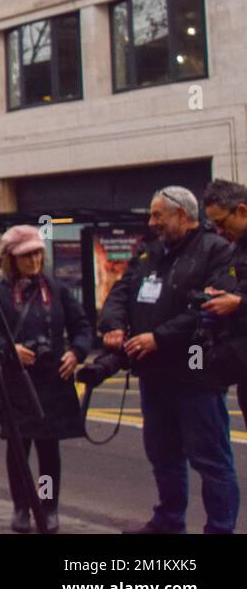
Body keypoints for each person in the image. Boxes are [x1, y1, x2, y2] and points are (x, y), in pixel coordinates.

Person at [100, 186, 239, 534]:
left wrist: (158, 337)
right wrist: (114, 324)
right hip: (154, 373)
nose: (152, 222)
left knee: (210, 460)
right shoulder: (149, 251)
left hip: (196, 372)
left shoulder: (216, 250)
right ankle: (168, 520)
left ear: (181, 214)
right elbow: (121, 290)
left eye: (157, 215)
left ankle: (220, 528)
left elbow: (206, 307)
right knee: (163, 455)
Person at [0, 224, 91, 534]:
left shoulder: (56, 290)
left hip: (52, 380)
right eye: (26, 256)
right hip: (16, 382)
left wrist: (76, 352)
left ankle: (47, 507)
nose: (34, 261)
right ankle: (21, 506)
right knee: (18, 450)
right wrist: (10, 349)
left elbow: (82, 327)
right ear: (10, 258)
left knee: (49, 451)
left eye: (37, 253)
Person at [201, 179, 247, 430]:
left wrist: (238, 303)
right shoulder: (237, 248)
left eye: (220, 222)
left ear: (241, 211)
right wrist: (224, 295)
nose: (218, 231)